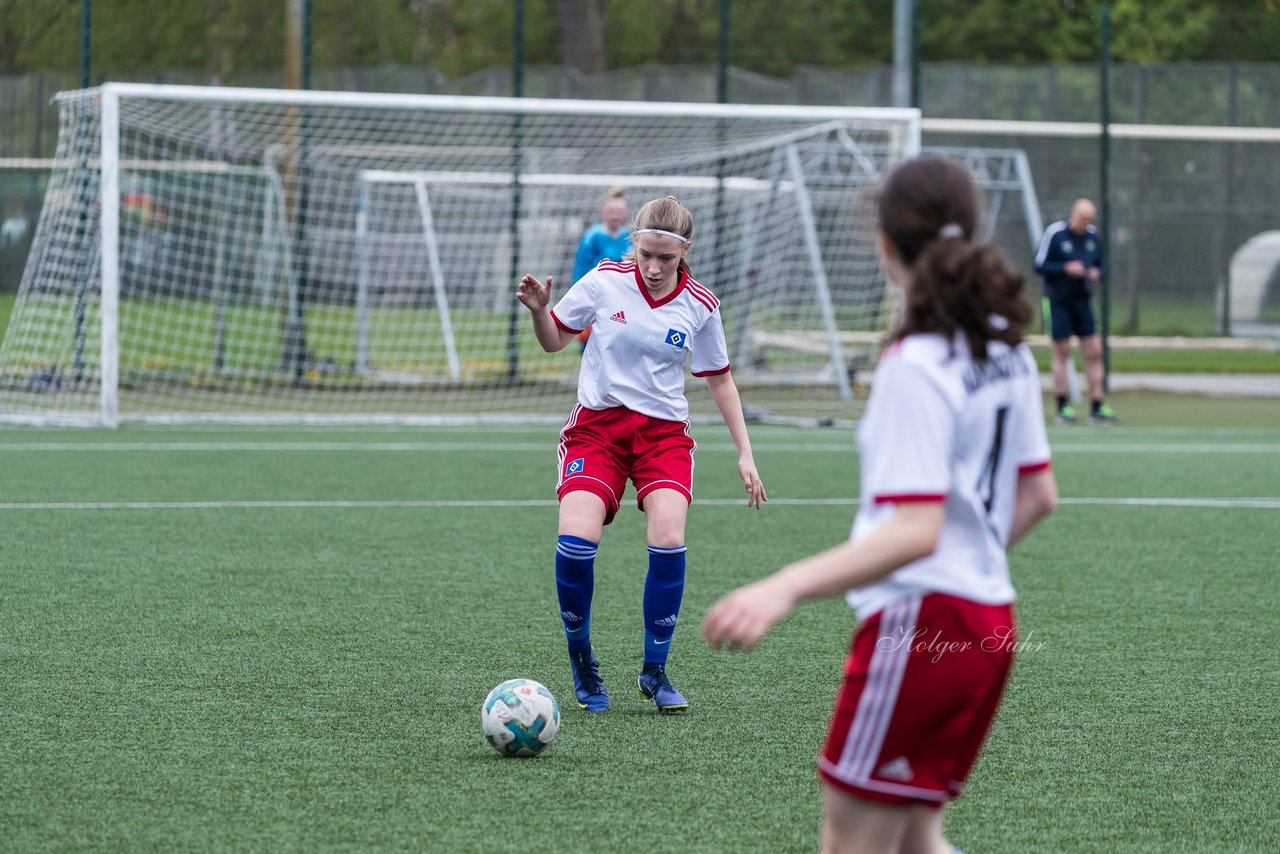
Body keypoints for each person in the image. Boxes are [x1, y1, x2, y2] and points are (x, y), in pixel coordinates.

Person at [701, 157, 1059, 854]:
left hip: (922, 627)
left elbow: (917, 531)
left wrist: (783, 585)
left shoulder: (915, 363)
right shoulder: (1006, 347)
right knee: (916, 839)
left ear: (885, 245)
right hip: (987, 622)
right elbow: (1039, 495)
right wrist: (968, 562)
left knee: (855, 845)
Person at [517, 194, 767, 715]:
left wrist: (745, 453)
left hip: (663, 437)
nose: (653, 269)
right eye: (645, 255)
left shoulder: (701, 305)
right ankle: (581, 657)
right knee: (575, 543)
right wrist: (542, 311)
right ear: (633, 243)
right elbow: (553, 342)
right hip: (598, 432)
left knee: (669, 536)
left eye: (666, 259)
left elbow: (720, 380)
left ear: (684, 252)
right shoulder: (605, 280)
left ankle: (654, 671)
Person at [1034, 198, 1118, 425]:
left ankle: (1097, 406)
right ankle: (1063, 407)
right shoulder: (1055, 233)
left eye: (1090, 220)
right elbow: (1039, 264)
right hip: (1056, 301)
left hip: (1082, 301)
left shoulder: (1092, 236)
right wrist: (1065, 268)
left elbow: (1102, 264)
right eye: (1082, 219)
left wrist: (1097, 273)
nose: (1086, 224)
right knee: (1062, 351)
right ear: (1072, 215)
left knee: (1094, 351)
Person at [571, 187, 632, 351]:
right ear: (603, 212)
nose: (615, 215)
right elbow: (580, 271)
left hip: (621, 300)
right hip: (595, 298)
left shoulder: (629, 238)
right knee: (590, 345)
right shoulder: (592, 237)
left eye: (620, 211)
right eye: (611, 210)